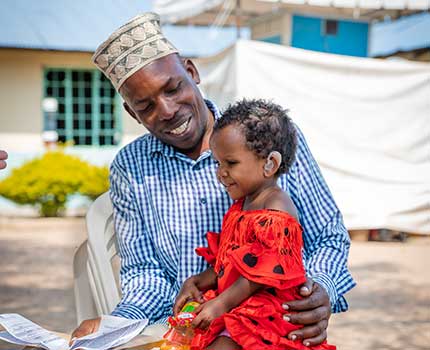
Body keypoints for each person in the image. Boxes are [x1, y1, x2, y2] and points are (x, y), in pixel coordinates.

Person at [71, 13, 355, 347]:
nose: (166, 110)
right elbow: (146, 274)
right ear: (131, 113)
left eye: (173, 88)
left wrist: (319, 290)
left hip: (273, 324)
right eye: (145, 106)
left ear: (192, 73)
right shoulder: (130, 168)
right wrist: (115, 324)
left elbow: (328, 237)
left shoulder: (269, 137)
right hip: (189, 330)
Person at [174, 98, 336, 350]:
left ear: (269, 164)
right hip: (242, 303)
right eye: (218, 163)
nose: (221, 173)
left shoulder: (276, 207)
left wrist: (223, 303)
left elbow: (262, 273)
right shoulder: (242, 205)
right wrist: (197, 280)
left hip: (266, 311)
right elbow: (231, 264)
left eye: (231, 163)